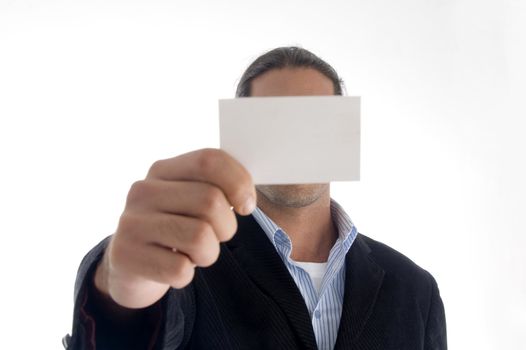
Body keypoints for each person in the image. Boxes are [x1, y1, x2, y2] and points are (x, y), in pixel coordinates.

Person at [64, 47, 447, 350]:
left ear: (344, 131)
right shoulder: (187, 260)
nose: (297, 138)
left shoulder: (414, 290)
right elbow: (130, 327)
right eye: (276, 120)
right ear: (240, 136)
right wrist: (118, 291)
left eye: (316, 120)